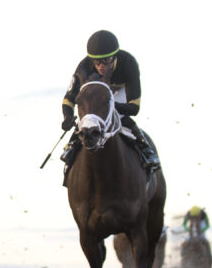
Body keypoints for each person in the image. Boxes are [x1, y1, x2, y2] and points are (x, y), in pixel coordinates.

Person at [59, 30, 160, 183]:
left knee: (118, 115)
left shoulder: (129, 64)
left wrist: (110, 105)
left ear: (115, 57)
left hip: (119, 92)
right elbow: (69, 98)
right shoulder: (84, 67)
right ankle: (72, 145)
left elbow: (134, 108)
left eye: (106, 61)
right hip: (96, 93)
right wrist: (67, 117)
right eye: (97, 62)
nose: (101, 66)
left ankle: (144, 147)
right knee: (89, 117)